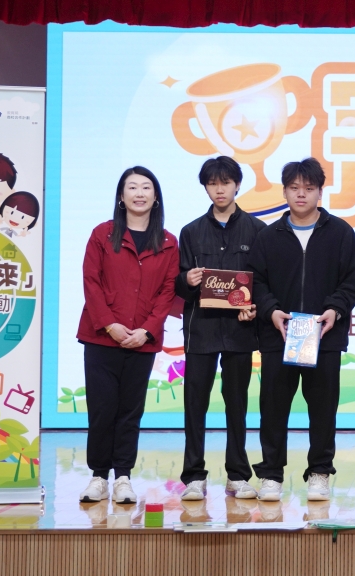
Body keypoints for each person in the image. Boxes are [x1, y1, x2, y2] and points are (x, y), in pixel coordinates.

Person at [250, 158, 355, 502]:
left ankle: (320, 472)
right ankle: (271, 474)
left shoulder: (340, 233)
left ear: (320, 192)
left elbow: (351, 281)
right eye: (294, 188)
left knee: (323, 409)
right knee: (273, 408)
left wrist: (335, 309)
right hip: (278, 336)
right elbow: (256, 282)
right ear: (284, 192)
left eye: (309, 188)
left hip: (324, 336)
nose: (301, 194)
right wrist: (271, 311)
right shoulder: (267, 236)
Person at [77, 166, 179, 504]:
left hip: (142, 341)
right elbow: (91, 281)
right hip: (101, 338)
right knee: (102, 409)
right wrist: (110, 324)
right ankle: (98, 477)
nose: (139, 193)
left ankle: (123, 477)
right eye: (131, 187)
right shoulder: (102, 234)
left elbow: (168, 291)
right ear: (121, 196)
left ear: (155, 196)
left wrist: (147, 330)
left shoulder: (168, 242)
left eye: (146, 187)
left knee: (130, 412)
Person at [175, 156, 267, 502]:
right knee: (194, 403)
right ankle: (193, 476)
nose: (219, 189)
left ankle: (238, 475)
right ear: (205, 187)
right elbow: (178, 284)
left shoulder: (258, 231)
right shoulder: (191, 232)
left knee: (237, 404)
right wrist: (187, 279)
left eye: (225, 182)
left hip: (240, 332)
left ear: (237, 185)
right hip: (200, 330)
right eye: (212, 183)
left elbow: (262, 283)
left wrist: (254, 308)